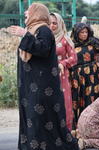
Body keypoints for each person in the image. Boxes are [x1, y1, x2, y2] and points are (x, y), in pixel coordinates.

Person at [9, 3, 78, 149]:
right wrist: (26, 34)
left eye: (29, 10)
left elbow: (42, 49)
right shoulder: (34, 31)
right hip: (30, 86)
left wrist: (24, 35)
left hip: (41, 86)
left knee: (41, 118)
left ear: (37, 13)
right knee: (32, 118)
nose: (26, 12)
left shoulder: (44, 30)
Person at [70, 22, 99, 130]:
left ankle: (92, 126)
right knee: (77, 98)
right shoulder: (71, 44)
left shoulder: (93, 42)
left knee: (92, 99)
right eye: (82, 32)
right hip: (77, 74)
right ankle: (78, 128)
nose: (85, 34)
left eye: (86, 32)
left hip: (92, 73)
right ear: (77, 33)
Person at [49, 12, 77, 131]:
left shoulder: (65, 38)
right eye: (49, 23)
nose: (51, 25)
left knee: (63, 102)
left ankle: (65, 133)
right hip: (46, 75)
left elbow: (74, 57)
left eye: (55, 23)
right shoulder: (43, 37)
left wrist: (63, 63)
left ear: (60, 24)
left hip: (61, 76)